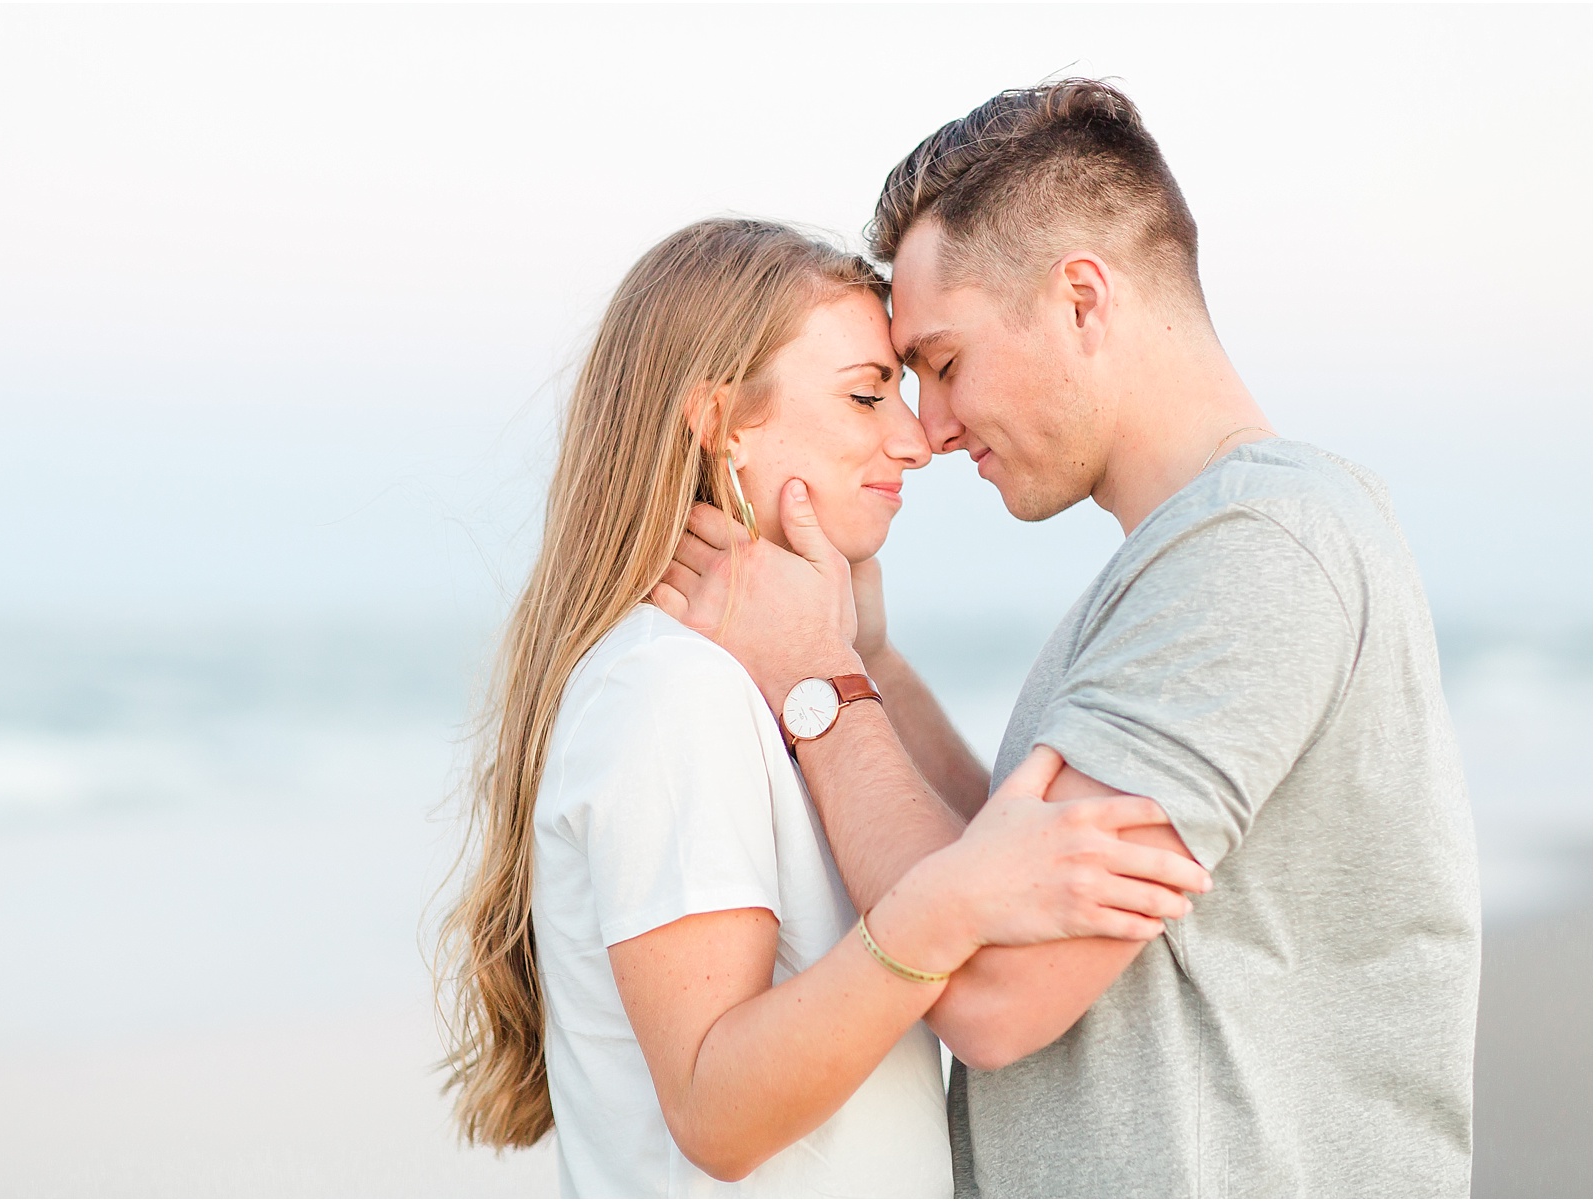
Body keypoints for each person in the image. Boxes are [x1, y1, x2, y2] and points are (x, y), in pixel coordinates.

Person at [655, 83, 1481, 1197]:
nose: (931, 429)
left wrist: (816, 677)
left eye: (944, 363)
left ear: (1081, 298)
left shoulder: (1262, 547)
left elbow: (994, 991)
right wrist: (876, 668)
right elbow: (985, 874)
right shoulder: (1187, 561)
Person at [435, 217, 1212, 1198]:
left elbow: (975, 863)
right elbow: (716, 1111)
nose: (916, 438)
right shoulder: (672, 689)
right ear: (720, 420)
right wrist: (934, 913)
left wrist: (859, 658)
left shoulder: (766, 683)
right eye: (864, 394)